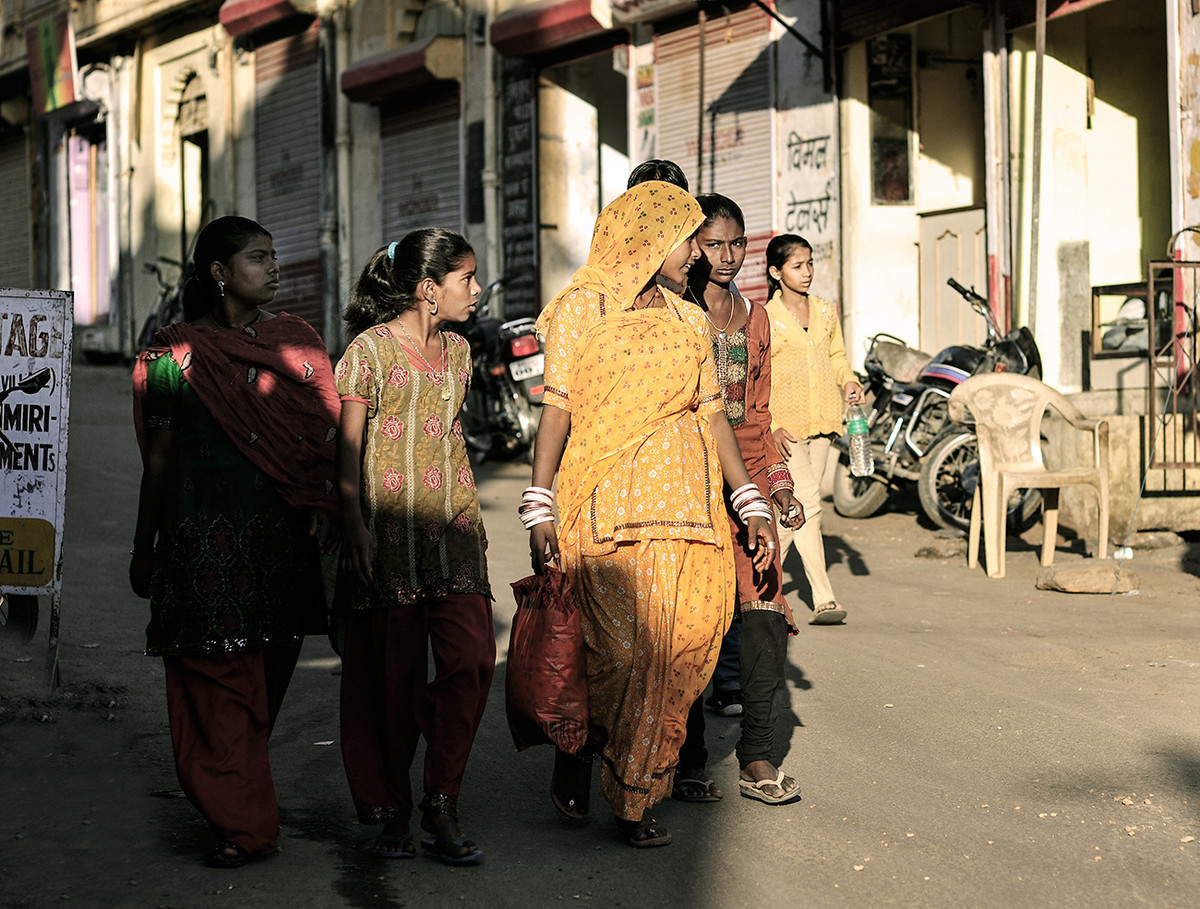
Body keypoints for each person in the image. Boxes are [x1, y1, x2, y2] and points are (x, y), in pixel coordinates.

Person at [523, 181, 778, 848]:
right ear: (648, 238)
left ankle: (634, 796)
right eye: (688, 240)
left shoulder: (688, 318)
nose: (697, 254)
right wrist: (539, 501)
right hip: (603, 509)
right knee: (614, 655)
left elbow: (713, 416)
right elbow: (558, 407)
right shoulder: (582, 308)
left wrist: (749, 499)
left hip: (688, 515)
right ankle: (585, 744)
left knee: (679, 649)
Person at [129, 215, 341, 868]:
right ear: (219, 272)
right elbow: (158, 456)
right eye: (258, 257)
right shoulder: (170, 356)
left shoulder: (297, 344)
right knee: (217, 689)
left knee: (259, 694)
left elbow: (328, 435)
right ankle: (241, 824)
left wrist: (327, 504)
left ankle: (234, 796)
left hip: (281, 552)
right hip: (200, 552)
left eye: (274, 256)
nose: (274, 268)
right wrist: (144, 545)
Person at [335, 229, 495, 866]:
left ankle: (442, 798)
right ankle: (392, 809)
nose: (476, 291)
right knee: (391, 681)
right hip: (387, 537)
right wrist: (353, 525)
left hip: (454, 530)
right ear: (429, 289)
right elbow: (348, 446)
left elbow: (449, 437)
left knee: (472, 660)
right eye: (466, 279)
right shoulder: (369, 352)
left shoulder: (459, 352)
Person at [675, 194, 804, 805]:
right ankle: (686, 756)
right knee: (690, 625)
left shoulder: (756, 318)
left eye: (736, 243)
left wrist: (778, 485)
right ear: (691, 246)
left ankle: (757, 752)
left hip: (748, 485)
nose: (726, 256)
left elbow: (757, 415)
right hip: (686, 484)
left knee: (765, 612)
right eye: (712, 244)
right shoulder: (672, 314)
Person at [766, 234, 864, 625]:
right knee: (808, 502)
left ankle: (757, 587)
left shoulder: (825, 311)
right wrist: (771, 426)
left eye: (810, 264)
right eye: (797, 266)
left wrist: (849, 380)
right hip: (785, 427)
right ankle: (824, 599)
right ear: (776, 272)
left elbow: (837, 356)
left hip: (823, 420)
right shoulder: (765, 318)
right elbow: (759, 377)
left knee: (793, 515)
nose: (806, 272)